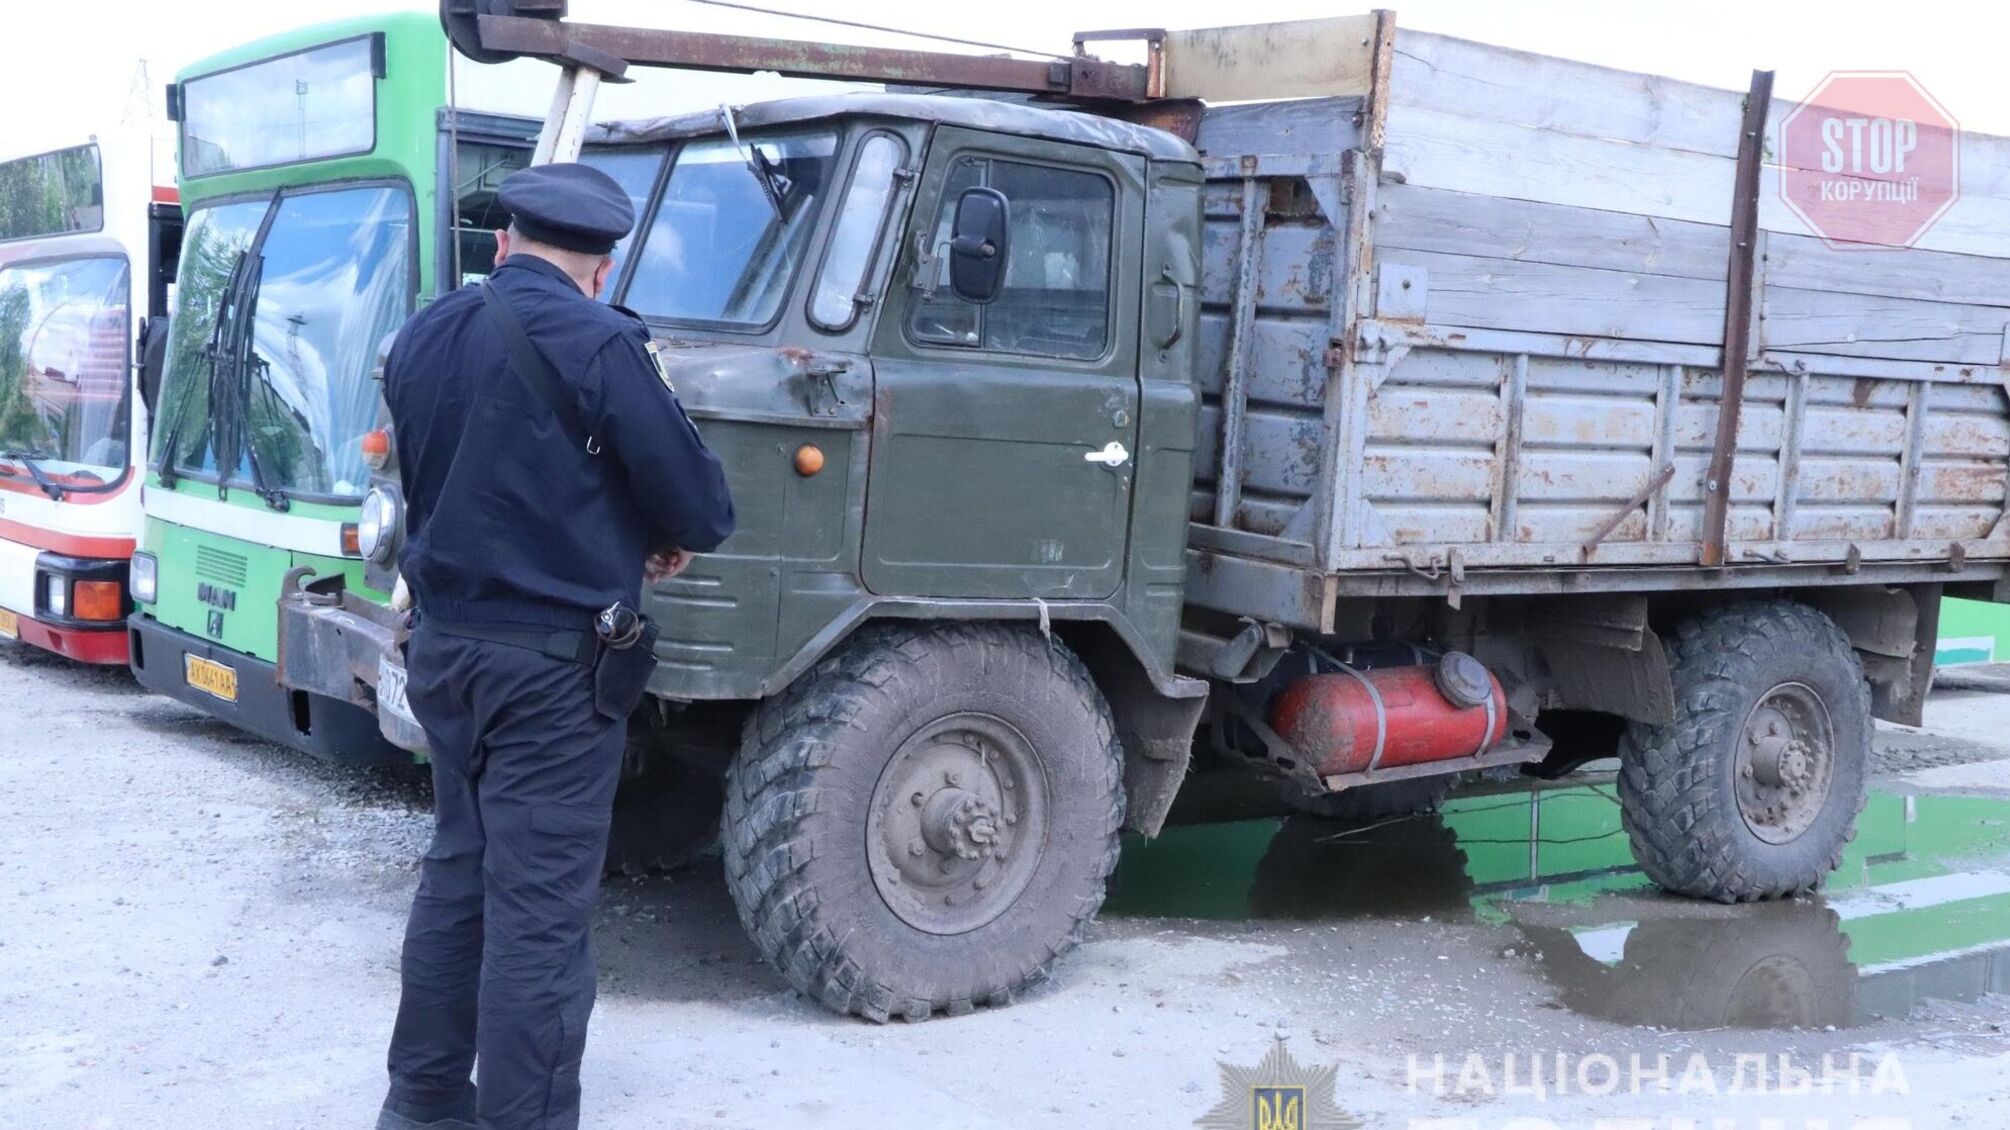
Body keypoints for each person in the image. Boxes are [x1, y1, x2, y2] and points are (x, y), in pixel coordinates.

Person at [375, 163, 735, 1130]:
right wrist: (643, 539)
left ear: (503, 245)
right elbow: (700, 506)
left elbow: (454, 481)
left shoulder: (424, 333)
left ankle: (420, 1105)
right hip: (553, 675)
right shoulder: (604, 342)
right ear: (603, 269)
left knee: (459, 875)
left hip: (444, 652)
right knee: (538, 915)